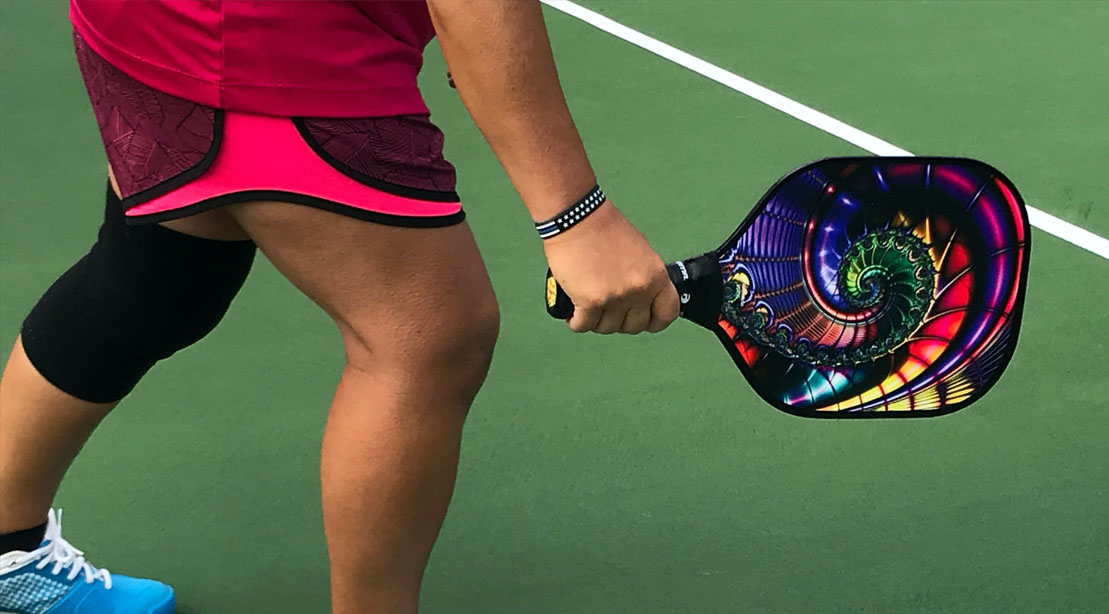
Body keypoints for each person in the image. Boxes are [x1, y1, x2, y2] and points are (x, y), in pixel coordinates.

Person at [0, 1, 680, 613]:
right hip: (275, 41)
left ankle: (6, 558)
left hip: (142, 18)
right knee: (428, 337)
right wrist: (575, 215)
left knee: (157, 271)